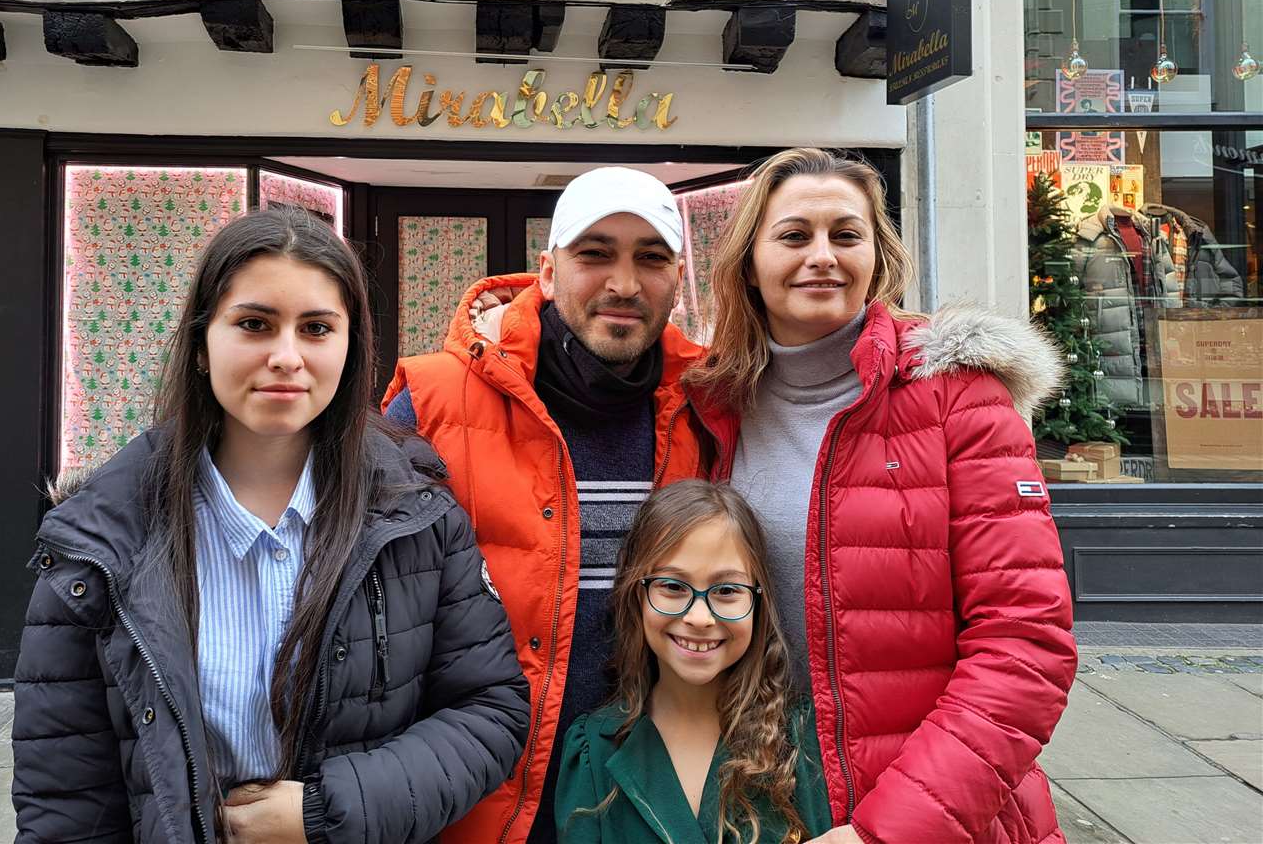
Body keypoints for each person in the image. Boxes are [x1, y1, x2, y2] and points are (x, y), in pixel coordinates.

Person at [12, 207, 530, 844]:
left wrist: (326, 811)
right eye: (255, 324)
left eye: (316, 328)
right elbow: (66, 794)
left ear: (349, 347)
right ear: (203, 344)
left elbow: (490, 712)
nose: (286, 357)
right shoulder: (98, 543)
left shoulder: (416, 516)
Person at [688, 148, 1077, 844]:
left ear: (877, 256)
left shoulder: (959, 400)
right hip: (755, 795)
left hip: (933, 812)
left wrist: (891, 831)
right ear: (749, 261)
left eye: (846, 234)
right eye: (794, 235)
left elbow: (1025, 646)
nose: (822, 256)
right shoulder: (711, 404)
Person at [383, 167, 714, 843]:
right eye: (595, 253)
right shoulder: (433, 400)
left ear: (677, 280)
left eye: (650, 258)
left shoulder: (711, 406)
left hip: (641, 800)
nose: (624, 283)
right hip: (473, 798)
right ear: (548, 271)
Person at [554, 481, 832, 844]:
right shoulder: (594, 748)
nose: (699, 617)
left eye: (727, 591)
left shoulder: (801, 741)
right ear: (636, 595)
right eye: (672, 586)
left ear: (758, 602)